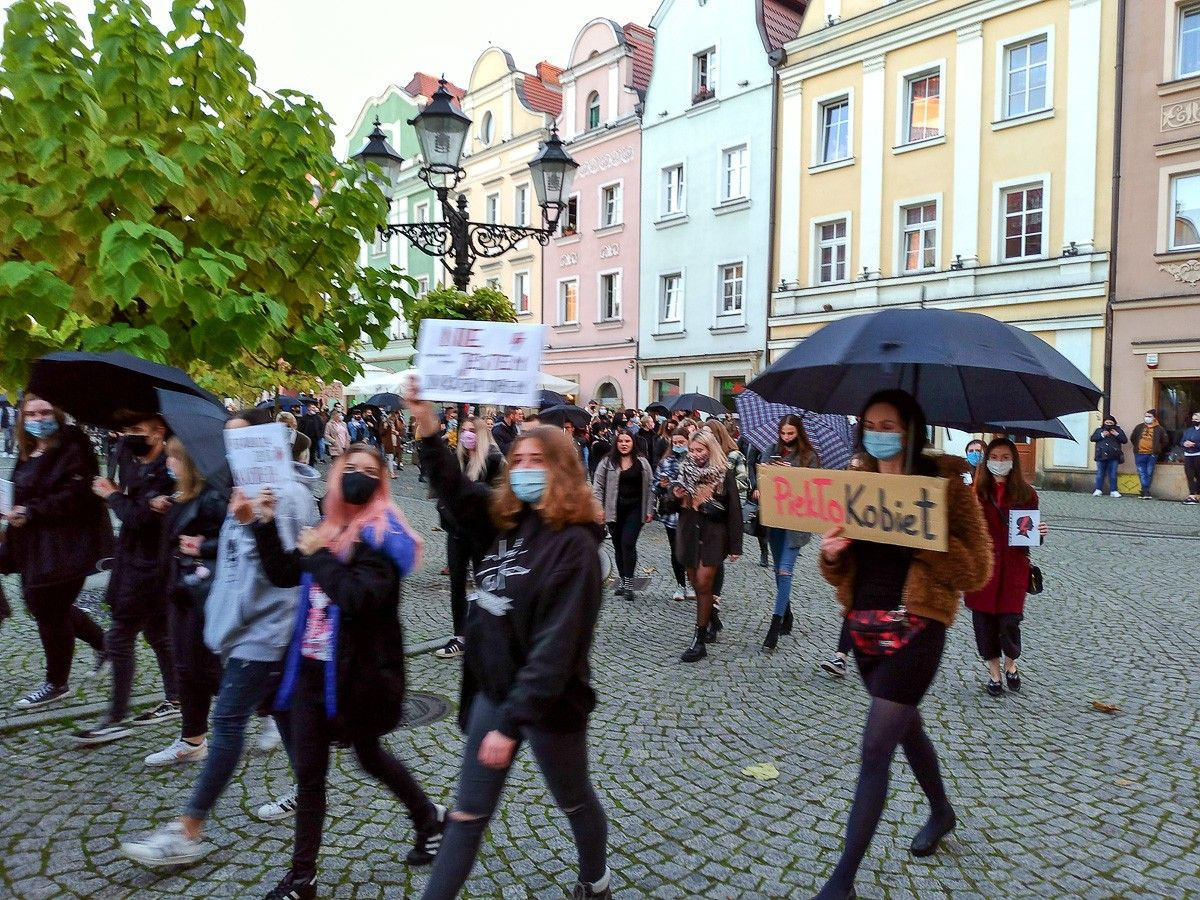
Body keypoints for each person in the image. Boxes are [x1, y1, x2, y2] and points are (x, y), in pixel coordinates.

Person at [411, 390, 612, 900]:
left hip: (550, 704)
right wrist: (427, 422)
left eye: (535, 460)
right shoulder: (503, 521)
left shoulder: (576, 547)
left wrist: (511, 724)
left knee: (574, 800)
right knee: (466, 814)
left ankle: (596, 880)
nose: (522, 469)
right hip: (494, 692)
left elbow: (558, 647)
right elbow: (453, 489)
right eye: (516, 460)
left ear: (561, 470)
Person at [120, 408, 318, 870]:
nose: (233, 452)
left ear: (269, 441)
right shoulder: (240, 490)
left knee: (227, 723)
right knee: (290, 722)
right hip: (241, 631)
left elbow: (288, 572)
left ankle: (187, 831)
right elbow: (234, 561)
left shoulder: (287, 495)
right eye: (229, 442)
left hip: (266, 633)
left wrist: (257, 522)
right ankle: (395, 806)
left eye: (243, 440)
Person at [813, 389, 992, 900]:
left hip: (917, 631)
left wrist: (924, 537)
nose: (877, 434)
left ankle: (842, 881)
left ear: (910, 429)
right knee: (908, 729)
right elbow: (839, 571)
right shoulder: (859, 484)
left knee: (875, 749)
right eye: (869, 425)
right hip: (863, 629)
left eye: (888, 425)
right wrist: (831, 554)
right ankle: (942, 811)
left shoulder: (945, 486)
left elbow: (977, 569)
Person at [252, 443, 444, 900]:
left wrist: (319, 555)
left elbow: (359, 598)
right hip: (310, 672)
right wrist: (262, 522)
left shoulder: (384, 537)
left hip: (358, 677)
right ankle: (303, 879)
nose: (359, 476)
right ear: (336, 474)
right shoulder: (329, 525)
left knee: (369, 756)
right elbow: (284, 572)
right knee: (310, 776)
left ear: (382, 482)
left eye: (370, 471)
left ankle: (427, 817)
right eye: (350, 468)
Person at [0, 394, 112, 709]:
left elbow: (77, 496)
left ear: (57, 414)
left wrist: (32, 511)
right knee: (48, 607)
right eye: (31, 414)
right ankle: (105, 645)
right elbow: (21, 490)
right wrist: (10, 510)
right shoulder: (28, 449)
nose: (38, 419)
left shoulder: (73, 445)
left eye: (45, 412)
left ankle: (56, 682)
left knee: (49, 608)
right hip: (30, 544)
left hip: (66, 547)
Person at [73, 414, 180, 745]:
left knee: (120, 637)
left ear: (158, 432)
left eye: (137, 431)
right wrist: (123, 494)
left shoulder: (171, 467)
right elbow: (138, 508)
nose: (129, 436)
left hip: (152, 564)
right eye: (126, 430)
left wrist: (113, 496)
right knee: (158, 632)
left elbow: (138, 517)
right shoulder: (130, 458)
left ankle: (115, 718)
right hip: (131, 558)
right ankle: (177, 697)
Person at [143, 437, 228, 766]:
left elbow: (233, 540)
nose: (168, 463)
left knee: (204, 668)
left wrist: (201, 547)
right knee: (185, 667)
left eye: (174, 458)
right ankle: (192, 740)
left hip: (201, 594)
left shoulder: (212, 497)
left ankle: (272, 711)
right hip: (178, 591)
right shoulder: (180, 495)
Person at [964, 438, 1049, 697]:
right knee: (984, 623)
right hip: (983, 569)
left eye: (1004, 458)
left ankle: (1011, 663)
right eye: (994, 458)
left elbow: (1028, 534)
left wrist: (1039, 533)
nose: (999, 462)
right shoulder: (976, 493)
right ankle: (994, 673)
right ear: (987, 461)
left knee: (1010, 621)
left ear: (1013, 461)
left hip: (1013, 568)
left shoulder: (1027, 494)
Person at [661, 431, 742, 663]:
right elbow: (668, 508)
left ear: (710, 449)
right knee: (696, 585)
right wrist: (673, 496)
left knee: (704, 583)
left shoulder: (723, 473)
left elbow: (734, 510)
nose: (695, 454)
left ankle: (699, 640)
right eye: (692, 450)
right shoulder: (683, 472)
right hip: (688, 533)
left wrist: (735, 546)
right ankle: (711, 615)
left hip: (713, 536)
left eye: (700, 450)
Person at [435, 417, 504, 660]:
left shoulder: (493, 460)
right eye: (463, 430)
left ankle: (487, 633)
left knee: (485, 582)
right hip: (456, 533)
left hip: (482, 534)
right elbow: (444, 494)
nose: (467, 434)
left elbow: (500, 498)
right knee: (457, 584)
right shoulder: (457, 460)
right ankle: (460, 636)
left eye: (472, 430)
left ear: (482, 433)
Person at [758, 415, 820, 652]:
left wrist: (793, 474)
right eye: (783, 433)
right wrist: (763, 481)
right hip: (775, 519)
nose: (786, 438)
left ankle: (774, 625)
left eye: (791, 434)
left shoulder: (809, 457)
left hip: (796, 521)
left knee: (785, 571)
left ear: (799, 433)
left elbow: (814, 487)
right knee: (778, 570)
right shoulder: (771, 451)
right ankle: (787, 612)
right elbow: (760, 479)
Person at [819, 453, 869, 680]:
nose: (854, 472)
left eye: (859, 469)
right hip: (855, 559)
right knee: (854, 607)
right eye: (851, 467)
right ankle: (841, 656)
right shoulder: (843, 494)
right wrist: (832, 555)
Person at [592, 429, 653, 600]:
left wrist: (650, 509)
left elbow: (650, 486)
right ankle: (623, 580)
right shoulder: (607, 462)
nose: (624, 444)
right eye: (621, 441)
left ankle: (629, 585)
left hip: (635, 508)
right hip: (613, 509)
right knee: (618, 545)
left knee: (628, 543)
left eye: (627, 441)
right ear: (616, 443)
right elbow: (598, 486)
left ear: (633, 443)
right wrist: (598, 508)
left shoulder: (642, 462)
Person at [653, 428, 691, 602]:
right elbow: (654, 485)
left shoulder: (694, 460)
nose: (678, 445)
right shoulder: (666, 462)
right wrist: (661, 485)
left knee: (691, 549)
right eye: (675, 443)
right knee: (676, 550)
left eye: (681, 442)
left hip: (691, 512)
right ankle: (680, 584)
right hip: (672, 515)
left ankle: (691, 582)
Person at [1129, 409, 1169, 499]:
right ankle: (1145, 491)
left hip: (1152, 454)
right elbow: (1133, 438)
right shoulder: (1139, 427)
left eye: (1149, 416)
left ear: (1154, 418)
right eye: (1146, 416)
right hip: (1139, 453)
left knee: (1149, 472)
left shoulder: (1159, 429)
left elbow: (1165, 441)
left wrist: (1157, 448)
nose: (1147, 418)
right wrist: (1138, 446)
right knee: (1141, 472)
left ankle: (1144, 491)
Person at [1090, 415, 1127, 498]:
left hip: (1114, 456)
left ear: (1114, 423)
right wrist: (1102, 435)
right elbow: (1092, 438)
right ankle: (1098, 489)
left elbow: (1124, 440)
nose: (1108, 424)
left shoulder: (1118, 430)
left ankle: (1113, 490)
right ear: (1104, 423)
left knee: (1113, 474)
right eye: (1107, 422)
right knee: (1100, 473)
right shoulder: (1099, 430)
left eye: (1110, 423)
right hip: (1101, 455)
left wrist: (1117, 434)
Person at [1183, 411, 1200, 504]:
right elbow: (1181, 441)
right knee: (1189, 475)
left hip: (1198, 455)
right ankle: (1192, 495)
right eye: (1193, 419)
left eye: (1196, 419)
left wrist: (1194, 445)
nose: (1194, 421)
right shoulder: (1188, 430)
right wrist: (1184, 443)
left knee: (1198, 475)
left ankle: (1197, 495)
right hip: (1188, 455)